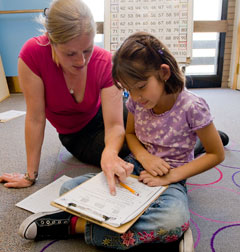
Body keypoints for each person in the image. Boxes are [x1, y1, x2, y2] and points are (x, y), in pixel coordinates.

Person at [18, 32, 225, 250]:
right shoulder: (136, 103)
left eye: (141, 87)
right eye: (129, 90)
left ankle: (74, 226)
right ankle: (155, 236)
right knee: (69, 189)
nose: (135, 97)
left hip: (171, 178)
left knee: (172, 220)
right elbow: (130, 135)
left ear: (163, 72)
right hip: (134, 167)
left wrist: (172, 175)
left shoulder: (193, 106)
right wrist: (144, 156)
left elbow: (216, 154)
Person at [0, 0, 133, 194]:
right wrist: (30, 175)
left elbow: (114, 124)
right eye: (70, 53)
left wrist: (110, 151)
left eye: (87, 50)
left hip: (104, 112)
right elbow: (36, 118)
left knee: (149, 120)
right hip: (79, 134)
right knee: (131, 147)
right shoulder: (33, 55)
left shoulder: (104, 60)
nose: (81, 61)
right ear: (51, 41)